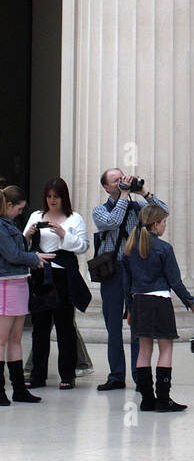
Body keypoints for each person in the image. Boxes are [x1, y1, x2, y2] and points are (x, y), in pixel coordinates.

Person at [91, 169, 168, 391]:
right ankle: (116, 375)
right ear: (106, 187)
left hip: (136, 270)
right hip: (112, 271)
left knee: (138, 325)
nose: (121, 182)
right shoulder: (99, 211)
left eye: (123, 178)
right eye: (116, 180)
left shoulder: (138, 207)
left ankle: (139, 374)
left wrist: (143, 191)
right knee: (113, 325)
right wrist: (123, 196)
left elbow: (162, 213)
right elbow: (112, 222)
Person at [120, 203, 194, 411]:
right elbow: (174, 281)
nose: (165, 226)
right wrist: (190, 301)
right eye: (164, 222)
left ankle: (147, 400)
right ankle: (164, 399)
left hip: (139, 302)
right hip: (160, 302)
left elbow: (126, 284)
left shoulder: (129, 248)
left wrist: (129, 309)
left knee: (144, 350)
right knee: (165, 349)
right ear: (156, 224)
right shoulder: (164, 248)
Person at [23, 178, 91, 390]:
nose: (52, 201)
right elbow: (22, 244)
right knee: (40, 327)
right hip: (41, 275)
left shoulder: (74, 218)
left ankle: (67, 374)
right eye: (49, 197)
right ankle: (38, 374)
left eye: (56, 197)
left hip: (63, 276)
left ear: (63, 198)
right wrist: (28, 234)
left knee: (64, 326)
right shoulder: (36, 216)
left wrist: (64, 234)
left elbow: (82, 246)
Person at [0, 185, 54, 404]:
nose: (21, 212)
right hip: (6, 284)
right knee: (2, 339)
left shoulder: (8, 225)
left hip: (19, 282)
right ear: (9, 205)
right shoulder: (1, 227)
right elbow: (12, 255)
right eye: (19, 208)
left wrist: (32, 256)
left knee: (15, 339)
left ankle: (19, 389)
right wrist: (34, 258)